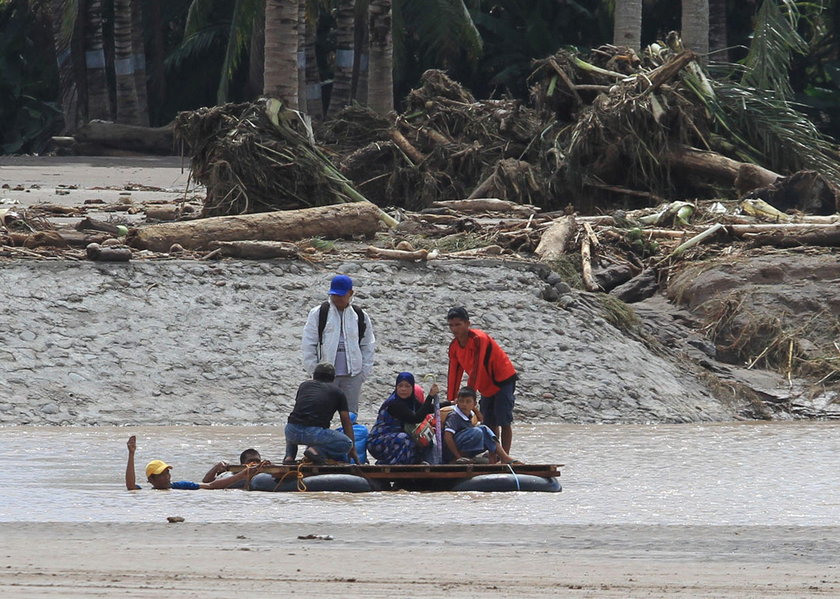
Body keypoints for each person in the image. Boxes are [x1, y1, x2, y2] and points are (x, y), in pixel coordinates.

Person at [446, 306, 518, 456]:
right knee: (488, 421)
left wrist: (470, 398)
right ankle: (494, 455)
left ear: (468, 324)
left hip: (502, 380)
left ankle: (505, 456)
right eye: (451, 325)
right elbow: (454, 374)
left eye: (458, 324)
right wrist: (451, 401)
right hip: (485, 385)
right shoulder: (454, 347)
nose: (454, 329)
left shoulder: (478, 339)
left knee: (504, 420)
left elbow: (477, 368)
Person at [301, 274, 376, 415]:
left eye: (341, 295)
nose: (337, 299)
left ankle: (350, 437)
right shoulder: (318, 313)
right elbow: (308, 344)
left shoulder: (360, 316)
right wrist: (314, 371)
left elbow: (368, 345)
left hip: (353, 376)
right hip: (325, 376)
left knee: (350, 415)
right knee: (321, 414)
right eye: (334, 295)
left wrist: (363, 373)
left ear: (351, 293)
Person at [283, 362, 358, 465]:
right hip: (313, 433)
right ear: (333, 378)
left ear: (314, 375)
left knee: (294, 422)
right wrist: (352, 449)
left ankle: (289, 457)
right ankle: (315, 451)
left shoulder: (304, 386)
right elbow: (346, 422)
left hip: (291, 431)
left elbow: (299, 411)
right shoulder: (338, 392)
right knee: (346, 443)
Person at [125, 436, 262, 490]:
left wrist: (241, 475)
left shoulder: (181, 486)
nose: (167, 476)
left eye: (167, 472)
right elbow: (131, 486)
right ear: (151, 480)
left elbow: (210, 485)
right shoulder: (146, 492)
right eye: (161, 474)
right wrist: (131, 454)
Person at [367, 372, 439, 465]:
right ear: (396, 387)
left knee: (425, 440)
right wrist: (430, 397)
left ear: (412, 388)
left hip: (395, 438)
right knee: (404, 439)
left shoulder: (411, 401)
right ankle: (390, 464)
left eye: (407, 386)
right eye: (400, 386)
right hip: (379, 441)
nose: (403, 389)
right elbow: (416, 418)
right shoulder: (394, 403)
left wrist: (450, 403)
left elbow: (426, 409)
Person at [443, 387, 520, 465]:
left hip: (464, 445)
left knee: (485, 432)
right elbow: (447, 436)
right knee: (478, 432)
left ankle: (503, 457)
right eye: (461, 401)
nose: (464, 404)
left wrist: (476, 411)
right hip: (452, 452)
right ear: (457, 402)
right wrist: (458, 456)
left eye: (468, 402)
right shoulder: (454, 416)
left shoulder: (471, 414)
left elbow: (481, 421)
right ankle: (455, 459)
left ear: (474, 404)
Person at [201, 448, 266, 485]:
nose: (255, 464)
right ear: (242, 464)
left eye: (258, 461)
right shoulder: (232, 474)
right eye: (250, 461)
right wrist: (217, 467)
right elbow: (206, 481)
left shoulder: (264, 474)